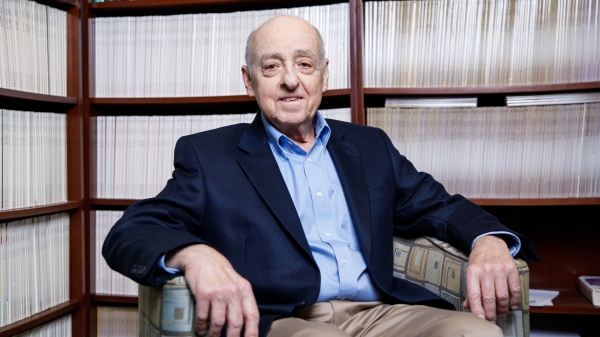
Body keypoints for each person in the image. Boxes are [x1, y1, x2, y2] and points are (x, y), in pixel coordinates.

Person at [103, 15, 537, 337]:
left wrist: (489, 241)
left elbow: (440, 207)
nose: (291, 80)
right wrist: (196, 255)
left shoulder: (369, 147)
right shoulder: (209, 156)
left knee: (480, 333)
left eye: (305, 65)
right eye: (272, 67)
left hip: (383, 312)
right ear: (248, 81)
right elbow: (132, 231)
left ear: (324, 74)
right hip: (288, 318)